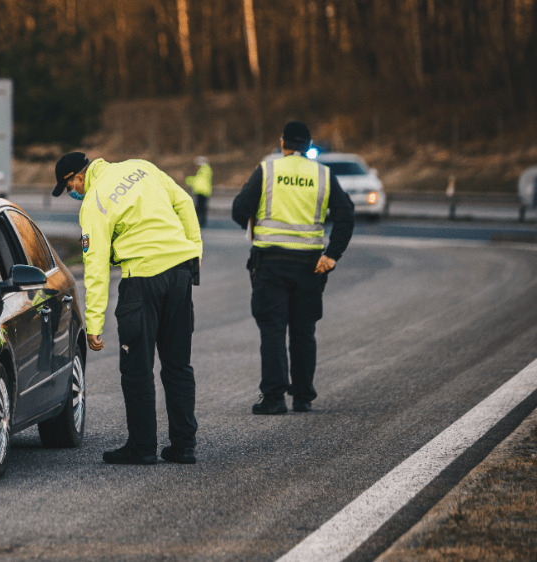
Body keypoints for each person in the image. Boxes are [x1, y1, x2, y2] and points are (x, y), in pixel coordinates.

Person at [52, 151, 202, 464]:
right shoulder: (141, 167)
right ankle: (184, 445)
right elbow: (185, 203)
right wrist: (194, 252)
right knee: (178, 365)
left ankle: (142, 448)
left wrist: (93, 325)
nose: (72, 194)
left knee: (137, 369)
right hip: (180, 274)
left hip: (142, 281)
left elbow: (95, 267)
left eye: (69, 188)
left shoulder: (95, 201)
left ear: (77, 177)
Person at [231, 122, 354, 415]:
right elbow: (346, 214)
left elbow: (239, 210)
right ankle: (302, 397)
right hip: (310, 265)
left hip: (271, 263)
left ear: (282, 142)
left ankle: (274, 398)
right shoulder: (323, 174)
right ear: (308, 145)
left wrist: (254, 220)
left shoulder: (268, 170)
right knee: (303, 331)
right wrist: (332, 255)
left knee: (273, 330)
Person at [185, 156, 213, 227]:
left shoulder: (203, 170)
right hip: (203, 191)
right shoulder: (205, 170)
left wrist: (189, 180)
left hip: (202, 191)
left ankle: (199, 222)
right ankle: (201, 221)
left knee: (200, 208)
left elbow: (198, 181)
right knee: (201, 208)